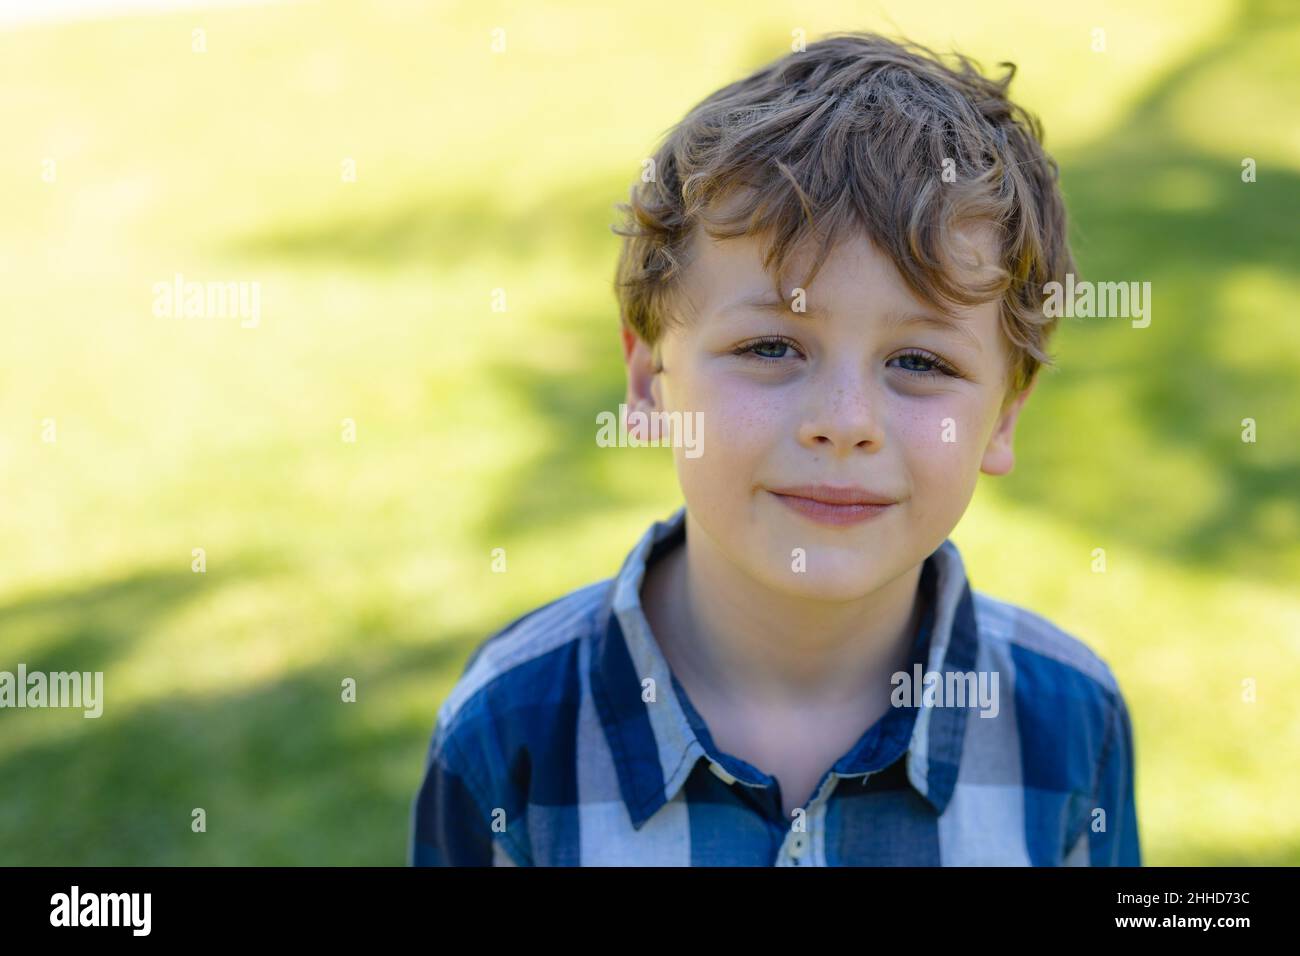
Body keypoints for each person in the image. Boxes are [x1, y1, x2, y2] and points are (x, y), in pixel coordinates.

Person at [410, 31, 1141, 866]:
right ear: (651, 384)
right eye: (770, 347)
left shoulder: (1072, 723)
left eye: (920, 362)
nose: (843, 420)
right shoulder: (509, 729)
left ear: (1003, 419)